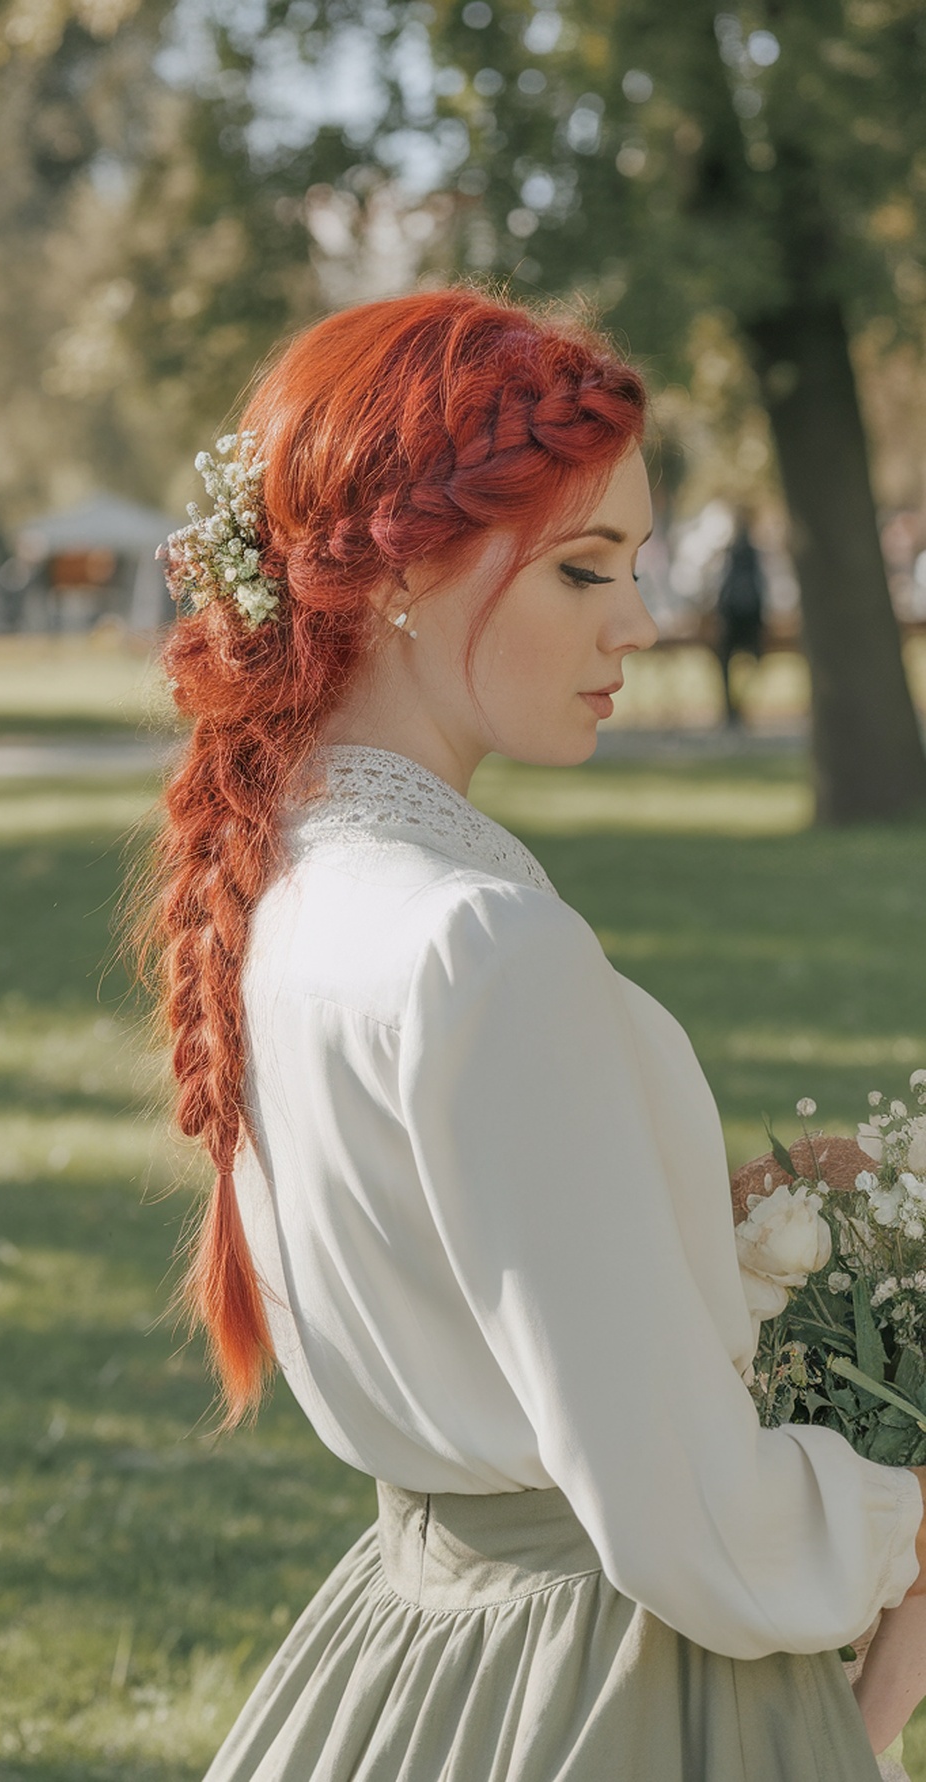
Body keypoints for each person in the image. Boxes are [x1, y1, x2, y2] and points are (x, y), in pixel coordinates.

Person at [139, 288, 926, 1781]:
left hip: (420, 1644)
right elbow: (691, 1520)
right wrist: (900, 1516)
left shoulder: (286, 882)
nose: (638, 619)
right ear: (402, 577)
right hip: (608, 1677)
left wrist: (716, 1214)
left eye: (634, 564)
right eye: (584, 568)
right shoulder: (479, 942)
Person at [715, 510, 766, 725]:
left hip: (735, 617)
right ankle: (738, 705)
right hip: (750, 618)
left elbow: (724, 587)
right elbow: (760, 586)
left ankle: (733, 707)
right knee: (751, 660)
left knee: (726, 662)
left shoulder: (733, 554)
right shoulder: (751, 554)